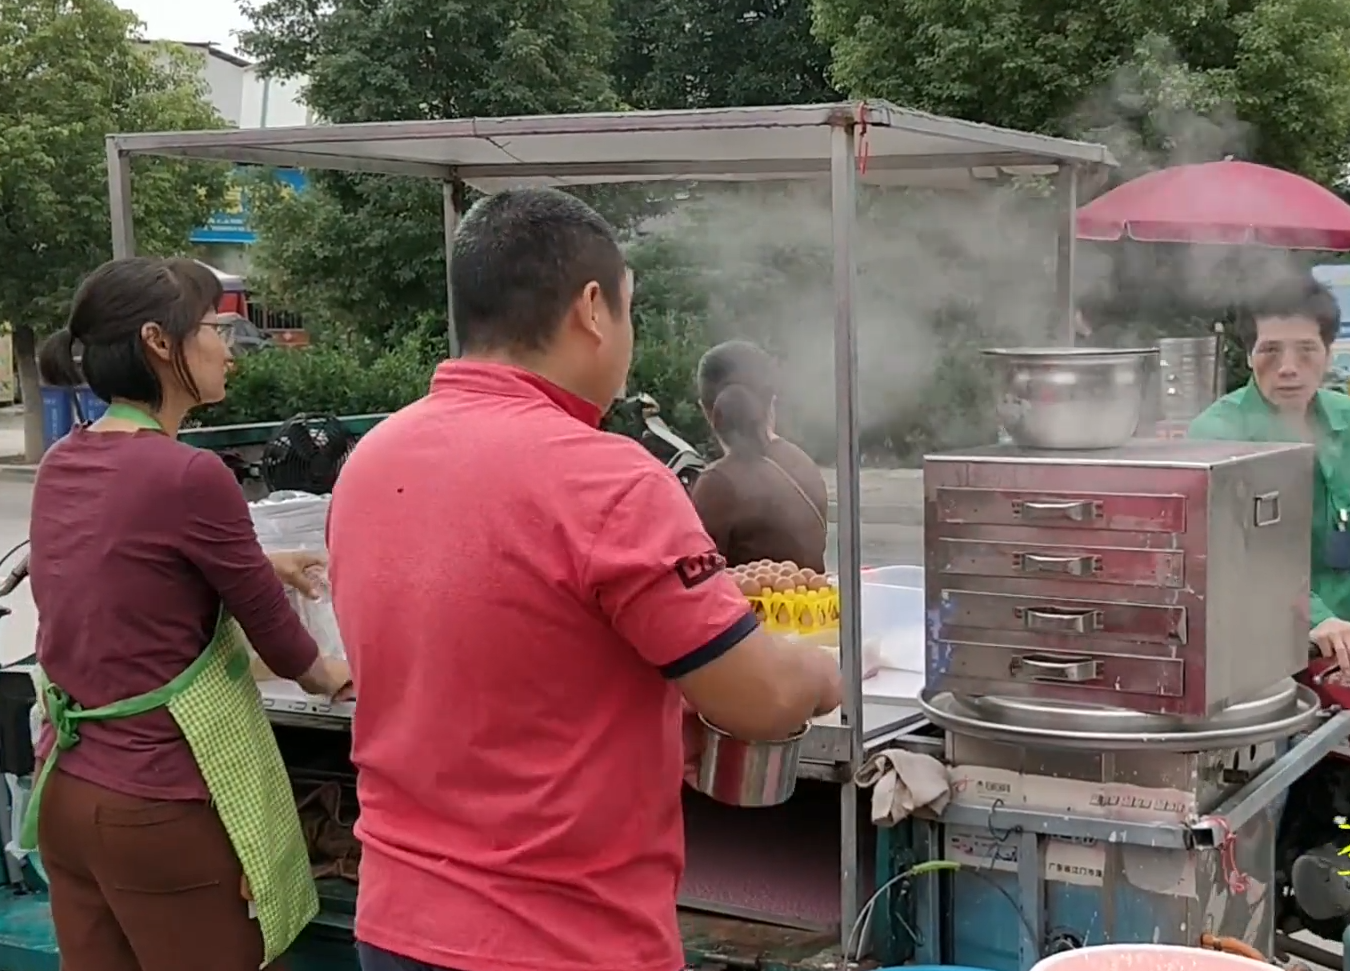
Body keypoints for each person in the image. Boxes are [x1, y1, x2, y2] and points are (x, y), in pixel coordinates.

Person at [326, 188, 843, 971]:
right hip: (564, 939)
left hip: (397, 923)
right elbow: (762, 699)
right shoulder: (609, 479)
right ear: (594, 309)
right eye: (630, 310)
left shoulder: (371, 463)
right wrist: (822, 668)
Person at [26, 257, 352, 971]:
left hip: (68, 793)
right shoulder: (189, 474)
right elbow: (276, 630)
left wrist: (264, 562)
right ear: (158, 341)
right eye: (214, 328)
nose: (228, 348)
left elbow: (119, 569)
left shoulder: (64, 460)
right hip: (157, 806)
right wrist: (333, 674)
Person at [1187, 273, 1350, 669]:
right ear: (1248, 355)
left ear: (1329, 353)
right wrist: (1319, 619)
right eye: (1271, 350)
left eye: (1307, 350)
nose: (1289, 368)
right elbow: (1233, 558)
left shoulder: (1345, 418)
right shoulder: (1218, 438)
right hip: (1264, 648)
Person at [688, 340, 829, 573]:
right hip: (813, 609)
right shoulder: (802, 462)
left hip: (750, 610)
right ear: (771, 402)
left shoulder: (717, 484)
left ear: (706, 410)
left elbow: (696, 581)